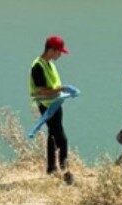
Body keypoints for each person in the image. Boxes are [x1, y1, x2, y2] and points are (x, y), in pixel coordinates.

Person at [30, 35, 73, 184]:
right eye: (59, 51)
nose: (60, 54)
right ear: (51, 50)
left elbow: (52, 87)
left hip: (55, 104)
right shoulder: (37, 67)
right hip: (47, 106)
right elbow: (43, 91)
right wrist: (64, 88)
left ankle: (51, 168)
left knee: (53, 135)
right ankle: (65, 172)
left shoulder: (50, 64)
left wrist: (61, 92)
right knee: (62, 138)